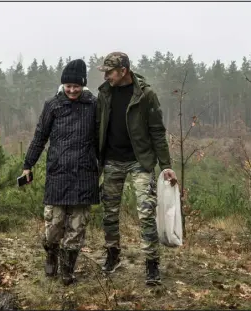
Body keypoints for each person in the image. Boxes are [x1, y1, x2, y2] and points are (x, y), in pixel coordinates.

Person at [95, 52, 177, 286]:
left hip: (140, 161)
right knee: (109, 212)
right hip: (111, 160)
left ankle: (152, 264)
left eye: (110, 72)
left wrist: (167, 166)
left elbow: (157, 132)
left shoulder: (146, 95)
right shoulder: (105, 94)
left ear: (123, 71)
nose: (107, 76)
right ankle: (113, 255)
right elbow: (98, 127)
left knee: (146, 213)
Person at [21, 59, 99, 286]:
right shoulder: (52, 105)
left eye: (76, 86)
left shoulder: (94, 105)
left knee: (77, 228)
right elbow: (39, 136)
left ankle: (68, 269)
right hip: (58, 173)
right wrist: (28, 164)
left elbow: (101, 139)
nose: (72, 90)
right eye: (68, 86)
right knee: (54, 225)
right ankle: (51, 255)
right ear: (62, 85)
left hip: (85, 175)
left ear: (83, 85)